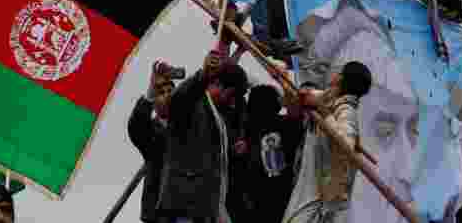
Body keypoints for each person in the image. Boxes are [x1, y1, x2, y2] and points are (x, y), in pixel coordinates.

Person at [156, 50, 250, 223]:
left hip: (208, 209)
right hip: (185, 208)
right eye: (231, 95)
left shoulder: (219, 117)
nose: (232, 102)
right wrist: (204, 74)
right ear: (217, 85)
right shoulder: (193, 104)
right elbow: (179, 98)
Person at [294, 61, 373, 223]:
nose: (335, 75)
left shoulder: (346, 111)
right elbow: (308, 94)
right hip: (313, 184)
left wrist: (323, 111)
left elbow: (345, 145)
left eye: (340, 73)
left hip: (323, 195)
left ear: (342, 79)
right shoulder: (331, 99)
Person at [233, 84, 306, 223]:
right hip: (278, 195)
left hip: (253, 196)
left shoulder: (248, 127)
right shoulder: (284, 125)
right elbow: (296, 115)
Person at [129, 61, 179, 223]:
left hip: (194, 209)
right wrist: (151, 90)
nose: (167, 95)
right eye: (161, 92)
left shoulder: (193, 124)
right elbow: (137, 125)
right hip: (161, 213)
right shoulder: (151, 132)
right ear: (155, 103)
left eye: (171, 91)